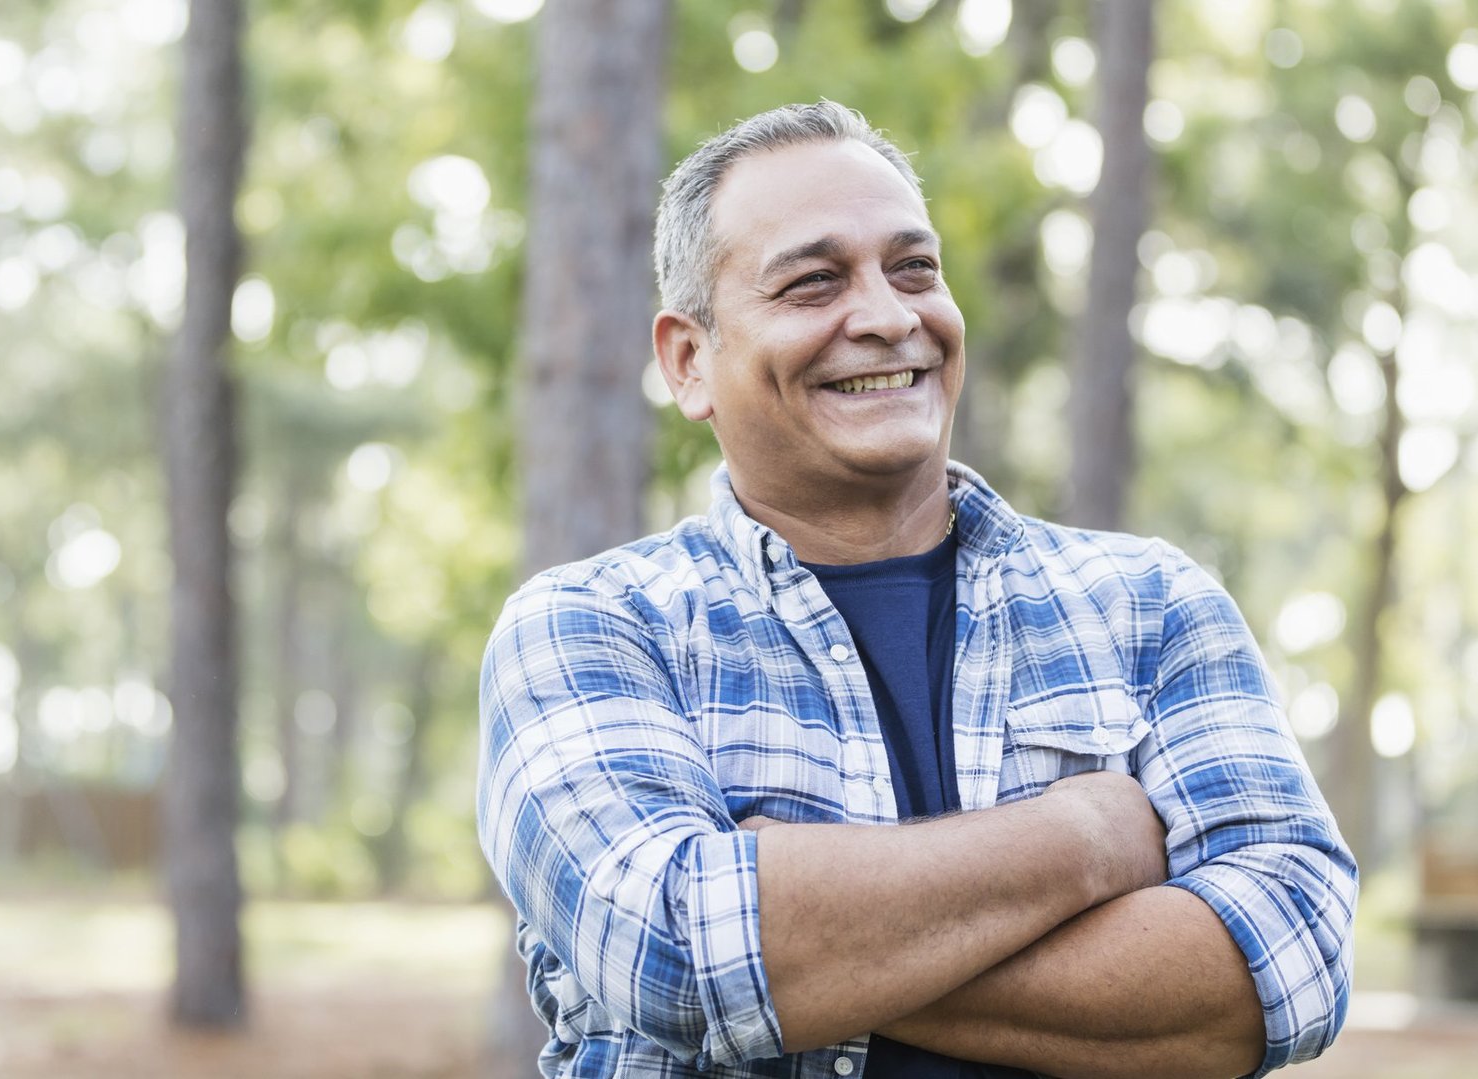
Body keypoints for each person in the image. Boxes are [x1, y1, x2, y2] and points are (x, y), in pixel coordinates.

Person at [477, 101, 1355, 1079]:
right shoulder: (592, 628)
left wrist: (808, 927)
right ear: (689, 360)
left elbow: (1293, 956)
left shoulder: (1151, 608)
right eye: (814, 283)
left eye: (914, 269)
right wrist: (1087, 838)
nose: (892, 317)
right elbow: (679, 952)